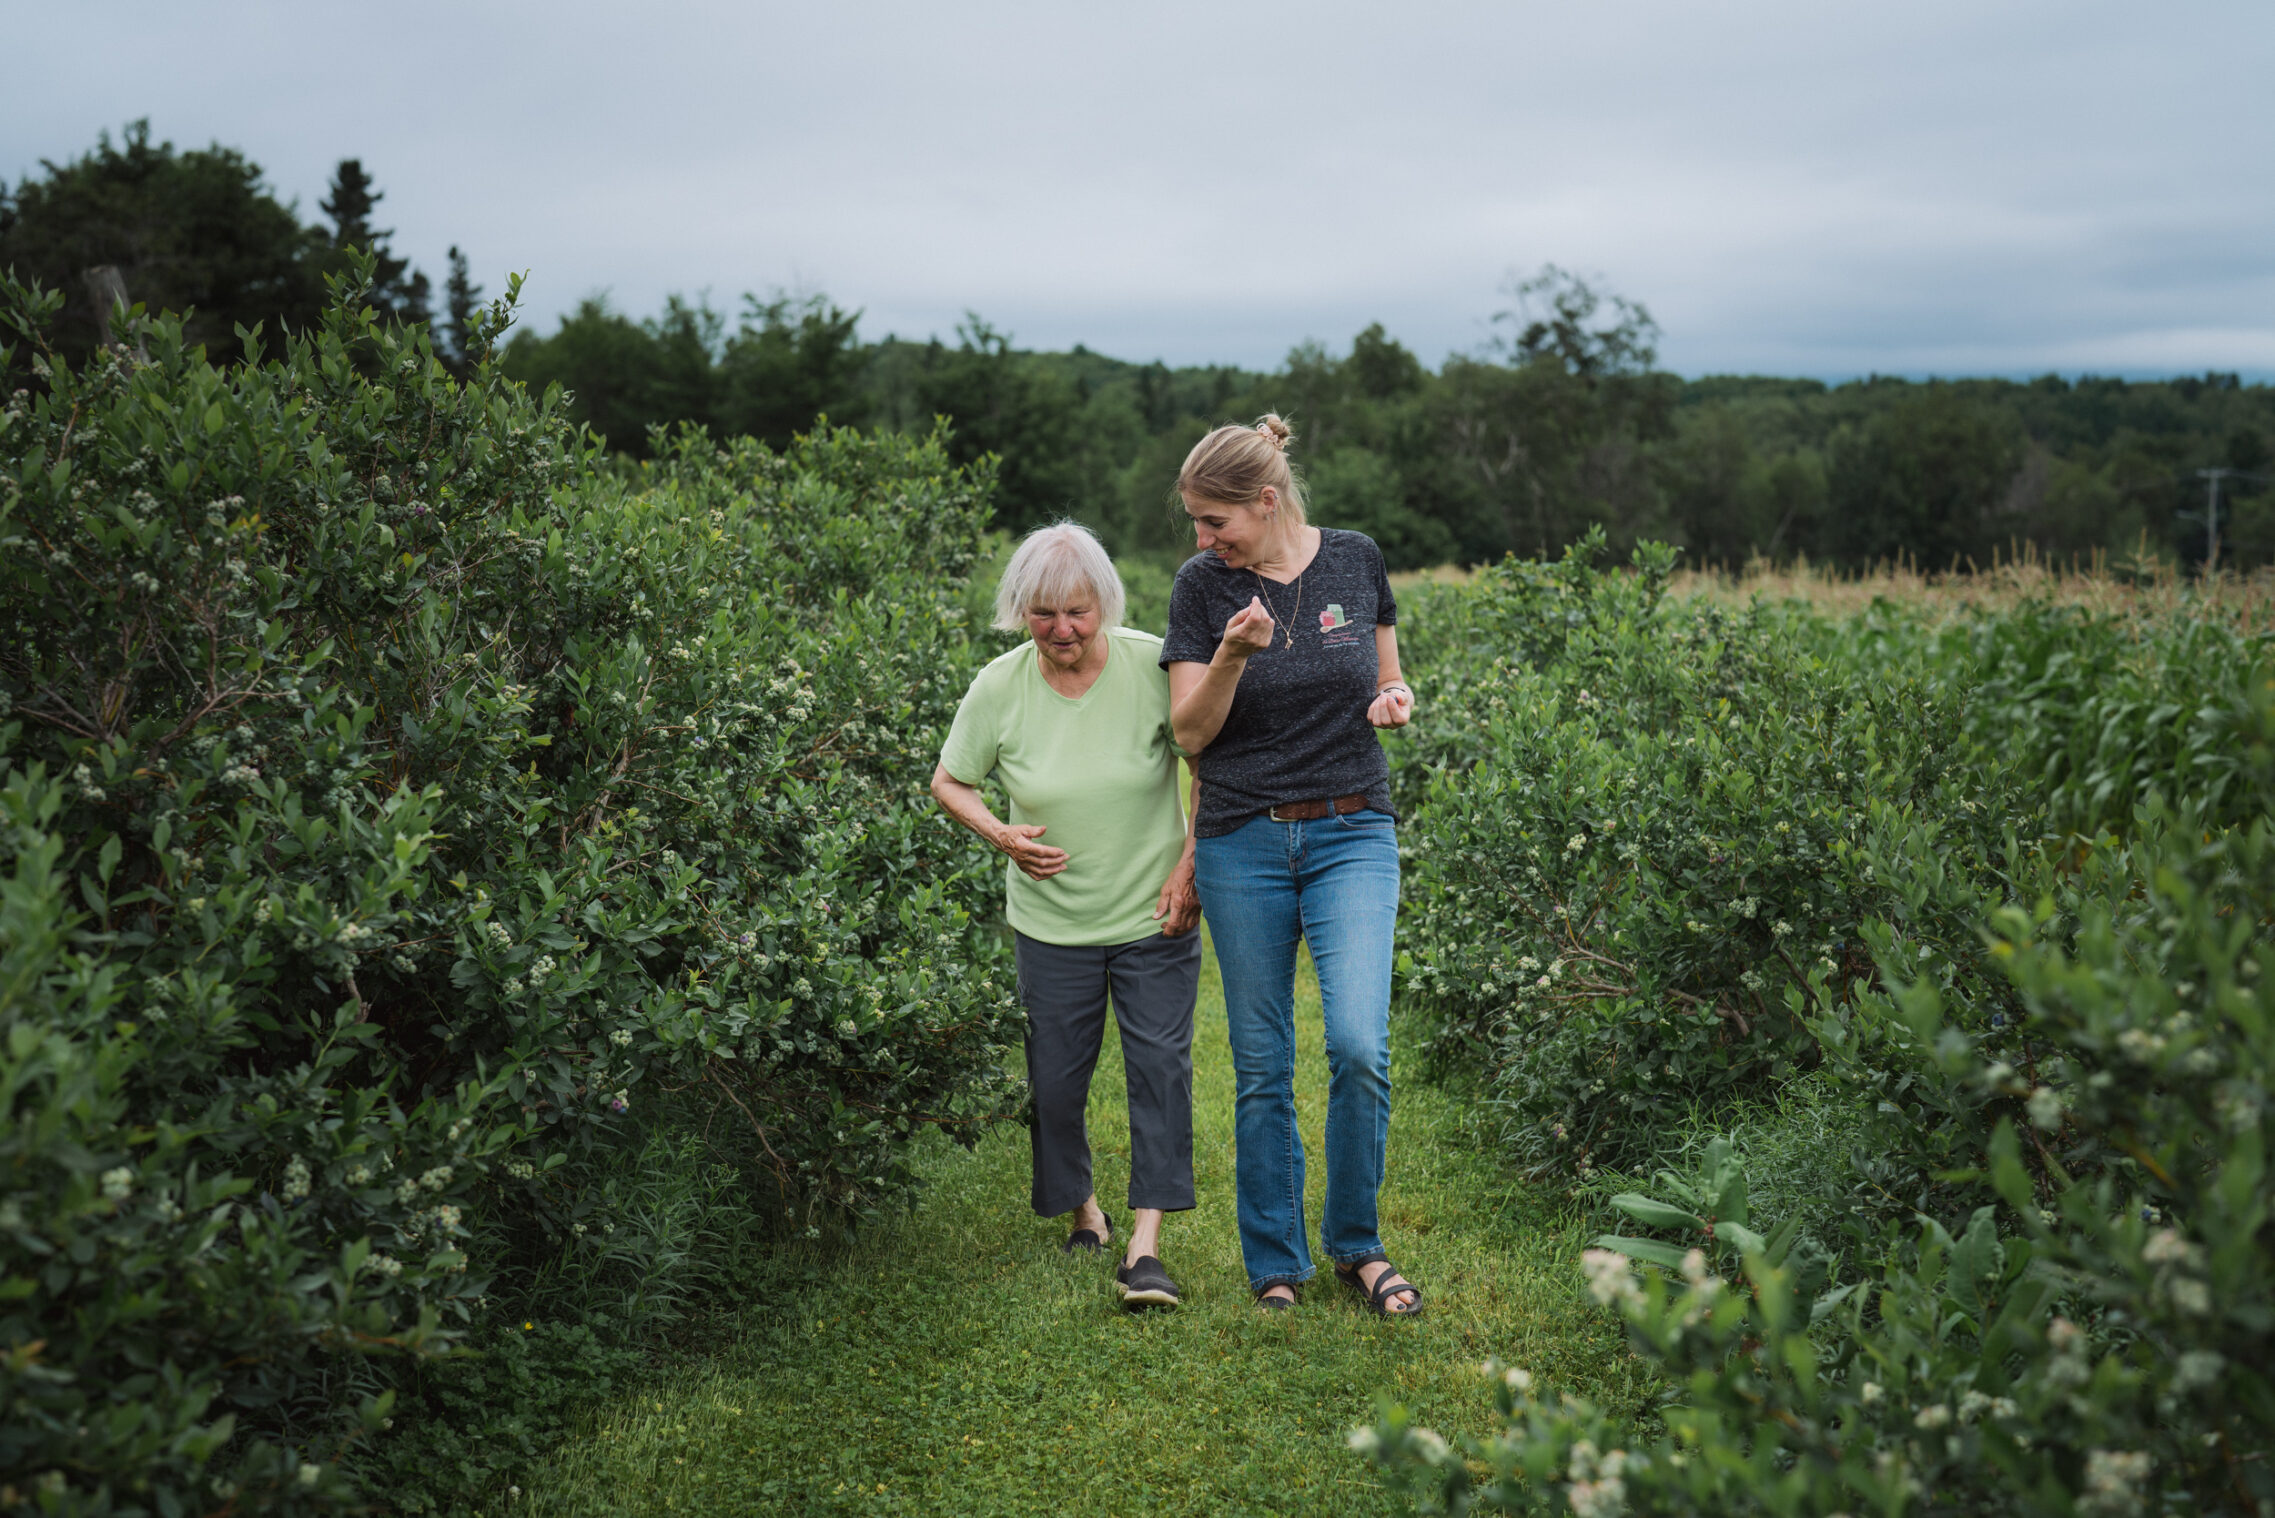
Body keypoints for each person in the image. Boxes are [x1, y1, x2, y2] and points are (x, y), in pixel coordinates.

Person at [1161, 415, 1421, 1316]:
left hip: (1354, 830)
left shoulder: (1356, 558)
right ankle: (1274, 1263)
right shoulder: (1201, 589)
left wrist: (1395, 700)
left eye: (1214, 520)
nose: (1202, 539)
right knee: (1263, 1059)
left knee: (1357, 1045)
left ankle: (1357, 1244)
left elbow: (1386, 677)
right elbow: (1189, 732)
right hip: (1243, 838)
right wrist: (1232, 653)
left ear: (1264, 501)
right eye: (1195, 523)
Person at [932, 522, 1202, 1311]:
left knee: (1160, 1072)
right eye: (1043, 614)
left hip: (1155, 917)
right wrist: (1002, 835)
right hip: (1050, 925)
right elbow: (951, 782)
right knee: (1054, 1085)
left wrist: (1190, 866)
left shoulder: (1154, 664)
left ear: (1104, 604)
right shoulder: (998, 686)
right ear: (1021, 612)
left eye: (1077, 612)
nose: (1062, 631)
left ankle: (1145, 1249)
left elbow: (1206, 762)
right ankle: (1085, 1209)